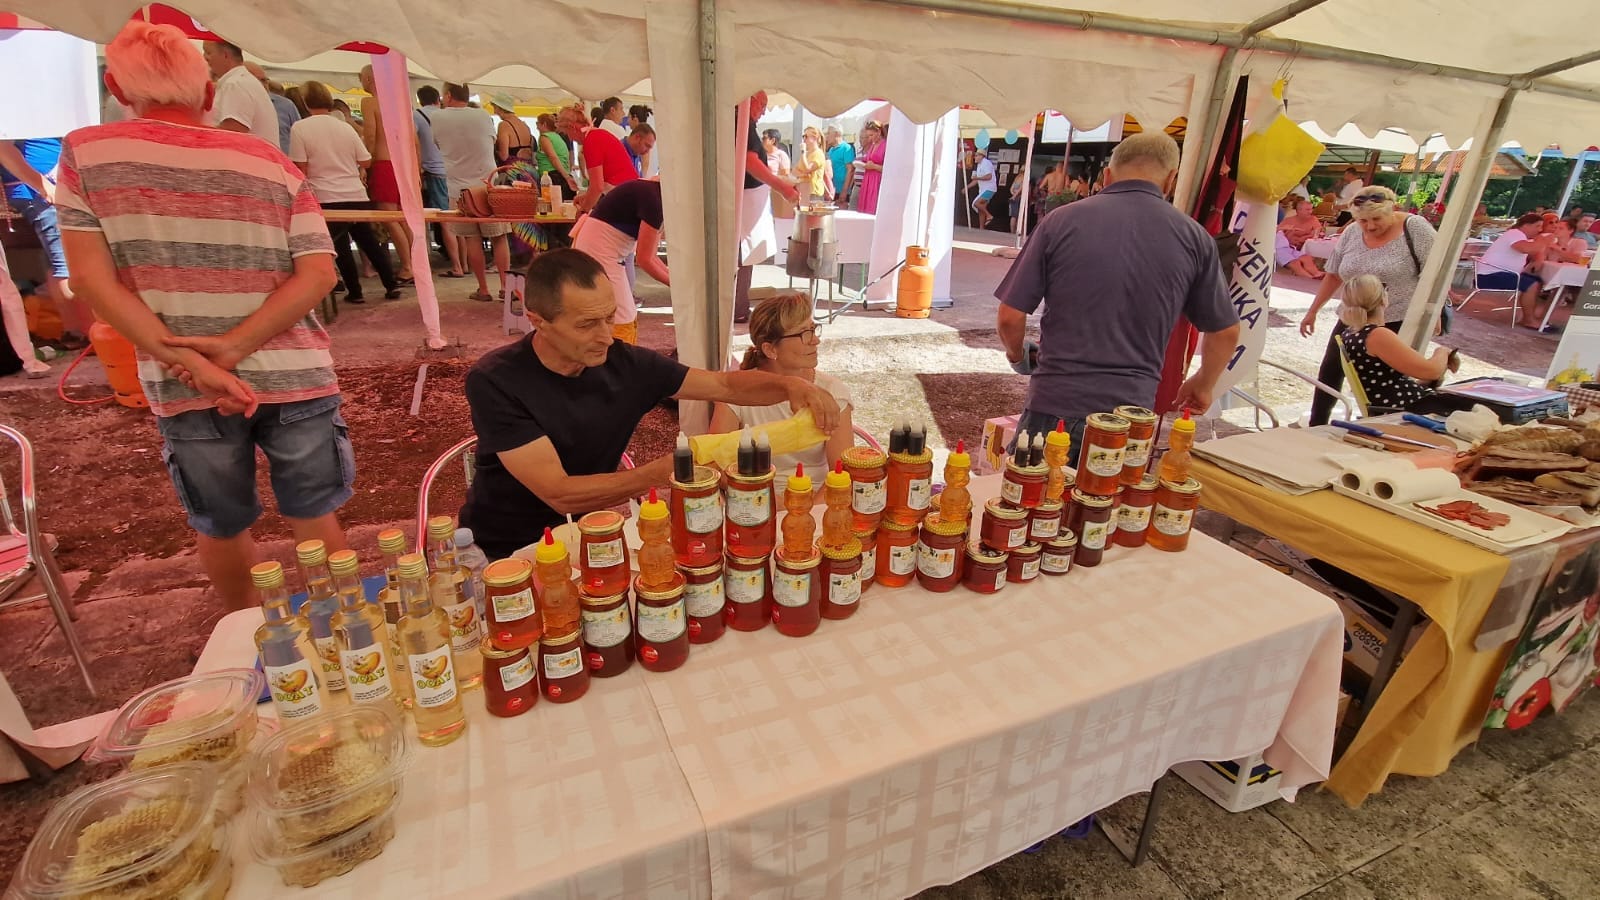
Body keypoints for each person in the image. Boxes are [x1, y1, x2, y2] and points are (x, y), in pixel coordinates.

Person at [58, 20, 348, 610]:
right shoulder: (269, 160)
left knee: (222, 523)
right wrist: (234, 347)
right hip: (292, 370)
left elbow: (90, 280)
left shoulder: (88, 154)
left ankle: (250, 636)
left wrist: (193, 362)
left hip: (183, 379)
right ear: (210, 92)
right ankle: (346, 629)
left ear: (116, 87)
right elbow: (319, 273)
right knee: (315, 513)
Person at [459, 249, 840, 559]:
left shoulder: (625, 364)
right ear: (537, 321)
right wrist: (667, 470)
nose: (606, 336)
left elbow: (724, 384)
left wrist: (790, 385)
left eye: (609, 318)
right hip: (506, 547)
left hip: (589, 535)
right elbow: (560, 493)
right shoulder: (496, 380)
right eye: (587, 325)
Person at [994, 131, 1240, 455]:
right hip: (1130, 415)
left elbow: (1010, 317)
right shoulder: (1195, 238)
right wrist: (1203, 383)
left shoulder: (1060, 222)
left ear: (1107, 175)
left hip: (1054, 405)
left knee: (1032, 487)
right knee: (1112, 490)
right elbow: (1225, 331)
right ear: (1171, 179)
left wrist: (1017, 356)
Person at [1297, 185, 1438, 426]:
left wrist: (1436, 311)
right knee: (1331, 370)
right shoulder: (1352, 232)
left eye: (1376, 219)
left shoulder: (1415, 228)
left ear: (1393, 209)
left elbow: (1436, 273)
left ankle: (1382, 423)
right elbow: (1333, 273)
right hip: (1353, 314)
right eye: (1363, 220)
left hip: (1396, 316)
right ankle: (1316, 425)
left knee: (1387, 376)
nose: (1370, 226)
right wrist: (1313, 311)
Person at [710, 293, 853, 473]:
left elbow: (843, 473)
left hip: (819, 490)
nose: (816, 340)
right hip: (752, 488)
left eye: (813, 329)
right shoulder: (736, 391)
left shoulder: (832, 391)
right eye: (804, 333)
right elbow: (715, 465)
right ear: (770, 349)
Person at [290, 81, 402, 304]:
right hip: (355, 193)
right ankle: (391, 284)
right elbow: (366, 161)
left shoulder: (300, 128)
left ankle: (355, 292)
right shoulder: (345, 127)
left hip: (324, 194)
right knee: (369, 242)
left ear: (305, 102)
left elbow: (300, 167)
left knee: (340, 246)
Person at [0, 138, 91, 342]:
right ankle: (87, 333)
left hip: (44, 188)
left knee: (57, 263)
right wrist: (43, 186)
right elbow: (3, 148)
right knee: (68, 264)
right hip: (42, 189)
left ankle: (75, 332)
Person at [432, 82, 510, 302]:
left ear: (448, 95)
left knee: (471, 238)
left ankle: (483, 289)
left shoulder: (438, 117)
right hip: (488, 184)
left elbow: (437, 144)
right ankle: (506, 288)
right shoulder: (483, 115)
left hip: (459, 187)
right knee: (499, 237)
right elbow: (491, 143)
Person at [1337, 275, 1460, 413]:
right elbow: (1432, 371)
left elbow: (1379, 378)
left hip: (1393, 404)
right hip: (1403, 408)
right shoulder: (1376, 335)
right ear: (1383, 299)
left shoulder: (1352, 332)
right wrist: (1442, 351)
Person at [570, 179, 670, 345]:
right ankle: (616, 357)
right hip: (598, 251)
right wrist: (676, 285)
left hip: (601, 248)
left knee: (622, 313)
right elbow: (645, 259)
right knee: (621, 315)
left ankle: (616, 356)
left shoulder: (654, 194)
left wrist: (674, 280)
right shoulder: (655, 201)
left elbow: (651, 256)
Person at [735, 92, 800, 323]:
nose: (764, 110)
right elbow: (750, 162)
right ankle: (738, 309)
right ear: (749, 99)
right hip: (743, 203)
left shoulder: (745, 123)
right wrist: (783, 188)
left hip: (750, 202)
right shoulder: (740, 121)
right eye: (762, 105)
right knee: (741, 255)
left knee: (745, 256)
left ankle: (739, 306)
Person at [356, 65, 414, 283]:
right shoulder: (400, 104)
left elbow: (371, 135)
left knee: (390, 217)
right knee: (402, 217)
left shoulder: (370, 102)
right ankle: (414, 264)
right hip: (402, 164)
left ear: (369, 79)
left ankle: (407, 266)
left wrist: (366, 163)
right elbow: (413, 140)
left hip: (384, 163)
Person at [413, 85, 463, 278]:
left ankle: (457, 266)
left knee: (445, 220)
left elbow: (413, 142)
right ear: (438, 99)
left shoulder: (417, 116)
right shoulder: (446, 115)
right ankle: (464, 263)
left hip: (434, 171)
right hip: (454, 170)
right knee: (459, 218)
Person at [558, 104, 638, 213]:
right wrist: (587, 197)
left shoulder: (591, 140)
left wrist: (583, 211)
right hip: (628, 194)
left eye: (567, 133)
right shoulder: (597, 135)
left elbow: (597, 187)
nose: (570, 138)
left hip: (625, 198)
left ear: (572, 127)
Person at [201, 41, 278, 146]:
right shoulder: (242, 81)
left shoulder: (235, 84)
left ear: (225, 55)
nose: (205, 57)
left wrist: (200, 136)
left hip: (248, 154)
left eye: (208, 52)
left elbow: (234, 131)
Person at [245, 63, 299, 155]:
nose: (263, 85)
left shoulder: (285, 105)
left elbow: (298, 136)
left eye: (265, 80)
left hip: (280, 160)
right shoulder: (234, 104)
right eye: (257, 81)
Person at [1276, 199, 1326, 278]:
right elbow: (1276, 232)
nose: (1310, 212)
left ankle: (1316, 273)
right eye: (1307, 210)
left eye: (1311, 209)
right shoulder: (1288, 220)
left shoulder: (1313, 219)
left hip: (1297, 247)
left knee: (1307, 258)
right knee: (1296, 263)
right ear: (1299, 210)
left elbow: (1317, 233)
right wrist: (1286, 230)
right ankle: (1309, 278)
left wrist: (1303, 238)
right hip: (1285, 247)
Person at [535, 112, 578, 200]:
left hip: (553, 176)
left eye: (537, 123)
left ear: (544, 124)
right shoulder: (558, 137)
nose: (536, 126)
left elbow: (553, 157)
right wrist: (567, 175)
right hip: (563, 174)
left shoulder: (544, 137)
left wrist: (566, 176)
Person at [491, 93, 534, 166]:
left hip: (513, 170)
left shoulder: (504, 125)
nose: (494, 112)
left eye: (495, 108)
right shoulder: (525, 125)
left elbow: (504, 156)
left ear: (501, 108)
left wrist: (493, 149)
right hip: (529, 170)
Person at [855, 120, 886, 214]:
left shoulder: (885, 145)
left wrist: (874, 166)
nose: (870, 138)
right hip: (868, 180)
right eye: (868, 136)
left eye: (871, 135)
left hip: (877, 180)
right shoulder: (873, 145)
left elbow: (889, 169)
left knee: (873, 206)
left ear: (879, 132)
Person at [792, 126, 828, 203]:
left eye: (806, 136)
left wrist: (803, 151)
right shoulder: (806, 154)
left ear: (815, 138)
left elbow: (807, 169)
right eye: (803, 136)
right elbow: (794, 171)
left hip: (813, 193)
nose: (804, 139)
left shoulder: (818, 154)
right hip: (803, 191)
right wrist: (803, 174)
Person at [968, 147, 998, 229]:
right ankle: (981, 228)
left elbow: (989, 176)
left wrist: (977, 178)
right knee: (981, 209)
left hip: (989, 188)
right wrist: (967, 187)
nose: (974, 157)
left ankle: (989, 215)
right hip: (983, 190)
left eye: (976, 155)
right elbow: (976, 180)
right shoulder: (979, 165)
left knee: (976, 203)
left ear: (981, 156)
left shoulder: (986, 163)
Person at [825, 126, 854, 203]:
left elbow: (850, 170)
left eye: (828, 133)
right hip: (832, 190)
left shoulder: (846, 148)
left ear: (836, 134)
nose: (827, 136)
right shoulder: (831, 150)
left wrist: (844, 191)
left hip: (841, 191)